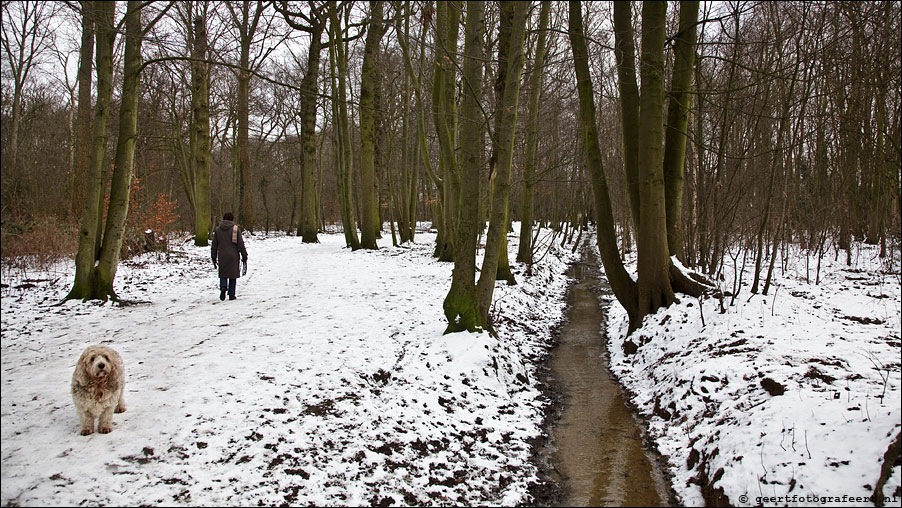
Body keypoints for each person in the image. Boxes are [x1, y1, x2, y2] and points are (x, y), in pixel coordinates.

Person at [211, 212, 248, 301]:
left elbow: (214, 245)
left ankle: (223, 287)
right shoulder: (235, 229)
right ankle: (231, 294)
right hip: (233, 255)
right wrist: (244, 255)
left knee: (223, 273)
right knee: (233, 274)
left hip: (222, 255)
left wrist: (213, 257)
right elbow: (240, 244)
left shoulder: (218, 230)